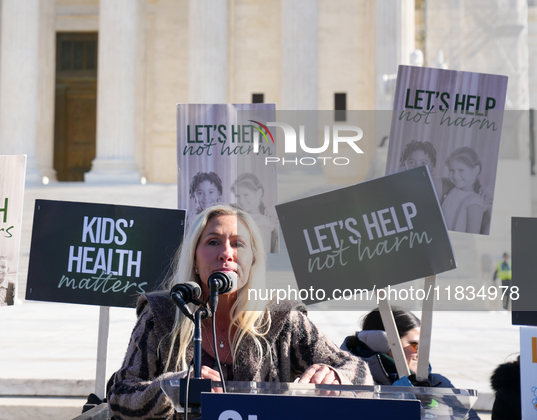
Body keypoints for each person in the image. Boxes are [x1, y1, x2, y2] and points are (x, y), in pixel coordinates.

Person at [108, 204, 373, 419]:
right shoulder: (163, 312)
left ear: (253, 260)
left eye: (238, 244)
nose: (226, 253)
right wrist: (173, 388)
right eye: (213, 242)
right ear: (195, 259)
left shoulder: (283, 318)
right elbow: (121, 395)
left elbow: (358, 371)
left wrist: (336, 375)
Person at [341, 307, 480, 419]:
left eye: (423, 345)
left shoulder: (438, 384)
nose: (421, 352)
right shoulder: (355, 387)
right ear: (382, 343)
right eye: (414, 344)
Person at [440, 147, 487, 234]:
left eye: (461, 170)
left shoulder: (474, 202)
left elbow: (472, 236)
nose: (455, 176)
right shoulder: (454, 190)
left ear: (475, 170)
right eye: (451, 170)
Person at [230, 172, 278, 253]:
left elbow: (264, 254)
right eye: (237, 196)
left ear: (259, 193)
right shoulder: (239, 216)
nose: (241, 201)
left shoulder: (263, 221)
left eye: (246, 195)